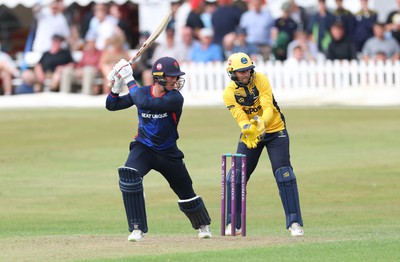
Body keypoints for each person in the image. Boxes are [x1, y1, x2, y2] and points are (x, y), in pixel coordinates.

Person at [105, 56, 212, 242]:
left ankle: (203, 225)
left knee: (186, 191)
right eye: (172, 77)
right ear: (159, 77)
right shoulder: (143, 92)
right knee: (129, 176)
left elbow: (146, 104)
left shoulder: (175, 98)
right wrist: (117, 85)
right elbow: (111, 105)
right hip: (143, 148)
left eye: (176, 77)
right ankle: (137, 228)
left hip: (168, 152)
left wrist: (129, 78)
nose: (176, 80)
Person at [222, 52, 304, 237]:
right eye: (241, 72)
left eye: (247, 70)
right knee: (235, 176)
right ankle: (233, 223)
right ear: (232, 73)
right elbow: (240, 117)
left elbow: (268, 107)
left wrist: (261, 123)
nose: (245, 74)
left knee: (284, 175)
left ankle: (295, 222)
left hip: (275, 130)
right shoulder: (229, 94)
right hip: (251, 133)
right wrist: (249, 128)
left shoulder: (261, 80)